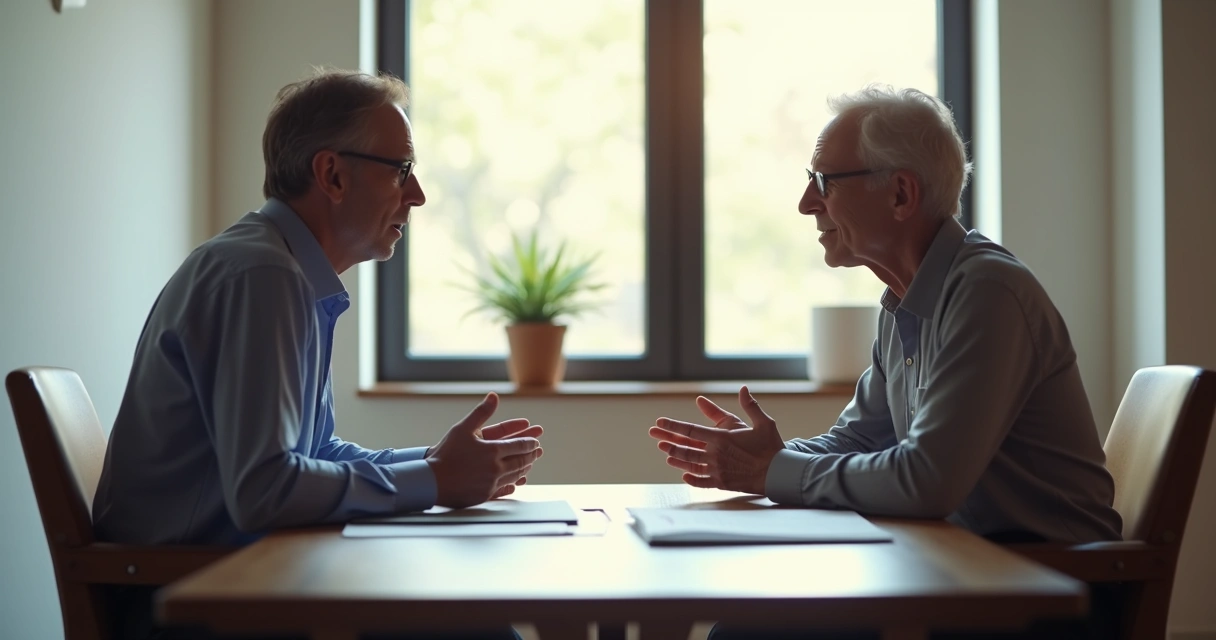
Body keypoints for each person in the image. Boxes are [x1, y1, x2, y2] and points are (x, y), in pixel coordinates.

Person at [648, 86, 1122, 639]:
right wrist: (768, 456)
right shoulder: (904, 300)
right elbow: (858, 440)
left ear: (900, 194)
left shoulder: (988, 291)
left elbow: (926, 481)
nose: (806, 202)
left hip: (1044, 596)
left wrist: (774, 471)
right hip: (964, 574)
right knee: (751, 623)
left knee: (751, 632)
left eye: (824, 181)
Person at [92, 69, 539, 640]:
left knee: (463, 616)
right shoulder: (263, 275)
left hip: (232, 580)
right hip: (192, 603)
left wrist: (434, 460)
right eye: (402, 169)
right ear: (331, 174)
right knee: (466, 624)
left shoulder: (282, 268)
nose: (418, 194)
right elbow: (265, 491)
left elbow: (314, 451)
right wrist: (433, 480)